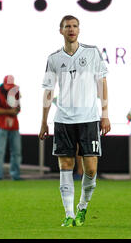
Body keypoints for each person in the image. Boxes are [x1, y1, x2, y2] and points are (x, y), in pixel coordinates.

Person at [39, 15, 110, 227]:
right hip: (63, 120)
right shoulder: (53, 58)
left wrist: (104, 114)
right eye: (67, 26)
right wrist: (44, 121)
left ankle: (82, 207)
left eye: (74, 26)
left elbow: (102, 82)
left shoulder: (92, 52)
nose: (71, 29)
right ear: (60, 30)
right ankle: (69, 214)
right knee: (66, 166)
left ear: (79, 30)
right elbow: (48, 91)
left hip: (88, 118)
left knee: (90, 169)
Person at [0, 75, 22, 181]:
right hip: (1, 124)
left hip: (13, 124)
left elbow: (18, 108)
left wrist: (15, 111)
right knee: (0, 151)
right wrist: (9, 112)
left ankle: (15, 174)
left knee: (16, 151)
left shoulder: (15, 90)